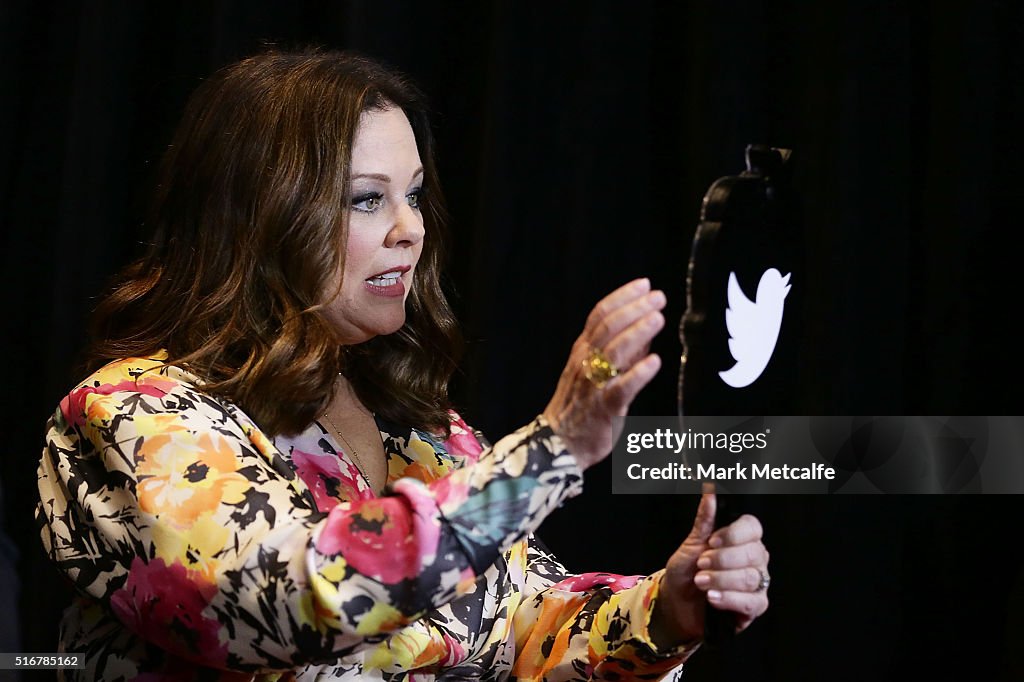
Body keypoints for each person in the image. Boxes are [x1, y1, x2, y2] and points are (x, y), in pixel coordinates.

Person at [37, 50, 769, 680]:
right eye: (366, 200)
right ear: (258, 219)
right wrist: (550, 453)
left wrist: (665, 611)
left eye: (414, 194)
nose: (410, 229)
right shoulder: (130, 414)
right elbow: (281, 602)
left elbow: (521, 628)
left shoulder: (422, 429)